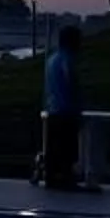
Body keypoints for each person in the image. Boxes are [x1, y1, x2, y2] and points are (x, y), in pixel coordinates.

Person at [40, 20, 88, 190]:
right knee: (67, 147)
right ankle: (66, 179)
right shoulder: (68, 59)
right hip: (66, 110)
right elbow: (71, 81)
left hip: (53, 108)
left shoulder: (51, 59)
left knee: (54, 147)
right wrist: (79, 103)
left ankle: (52, 177)